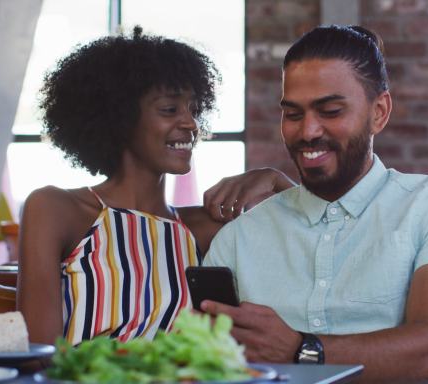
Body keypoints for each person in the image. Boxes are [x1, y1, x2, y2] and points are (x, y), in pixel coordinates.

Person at [202, 25, 428, 383]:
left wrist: (301, 350)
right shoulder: (238, 239)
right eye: (293, 114)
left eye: (330, 111)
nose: (308, 130)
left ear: (379, 112)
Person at [16, 27, 293, 345]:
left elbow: (313, 243)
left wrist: (276, 180)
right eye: (170, 109)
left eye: (193, 109)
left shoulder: (200, 228)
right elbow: (39, 351)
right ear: (119, 117)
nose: (190, 123)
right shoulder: (55, 209)